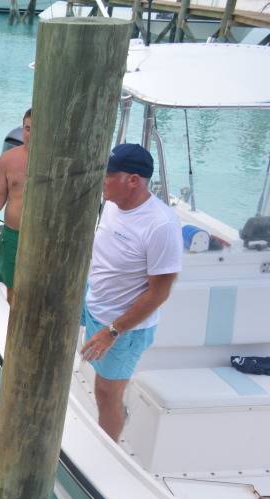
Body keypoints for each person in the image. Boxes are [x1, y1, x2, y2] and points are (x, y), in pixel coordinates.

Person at [81, 143, 181, 441]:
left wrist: (113, 331)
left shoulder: (161, 225)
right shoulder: (112, 203)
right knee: (97, 380)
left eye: (108, 175)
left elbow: (158, 293)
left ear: (133, 180)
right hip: (94, 304)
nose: (102, 181)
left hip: (122, 328)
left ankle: (107, 449)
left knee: (106, 392)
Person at [0, 108, 30, 303]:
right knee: (11, 292)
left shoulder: (60, 162)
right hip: (13, 236)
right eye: (27, 128)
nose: (30, 134)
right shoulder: (7, 159)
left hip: (44, 242)